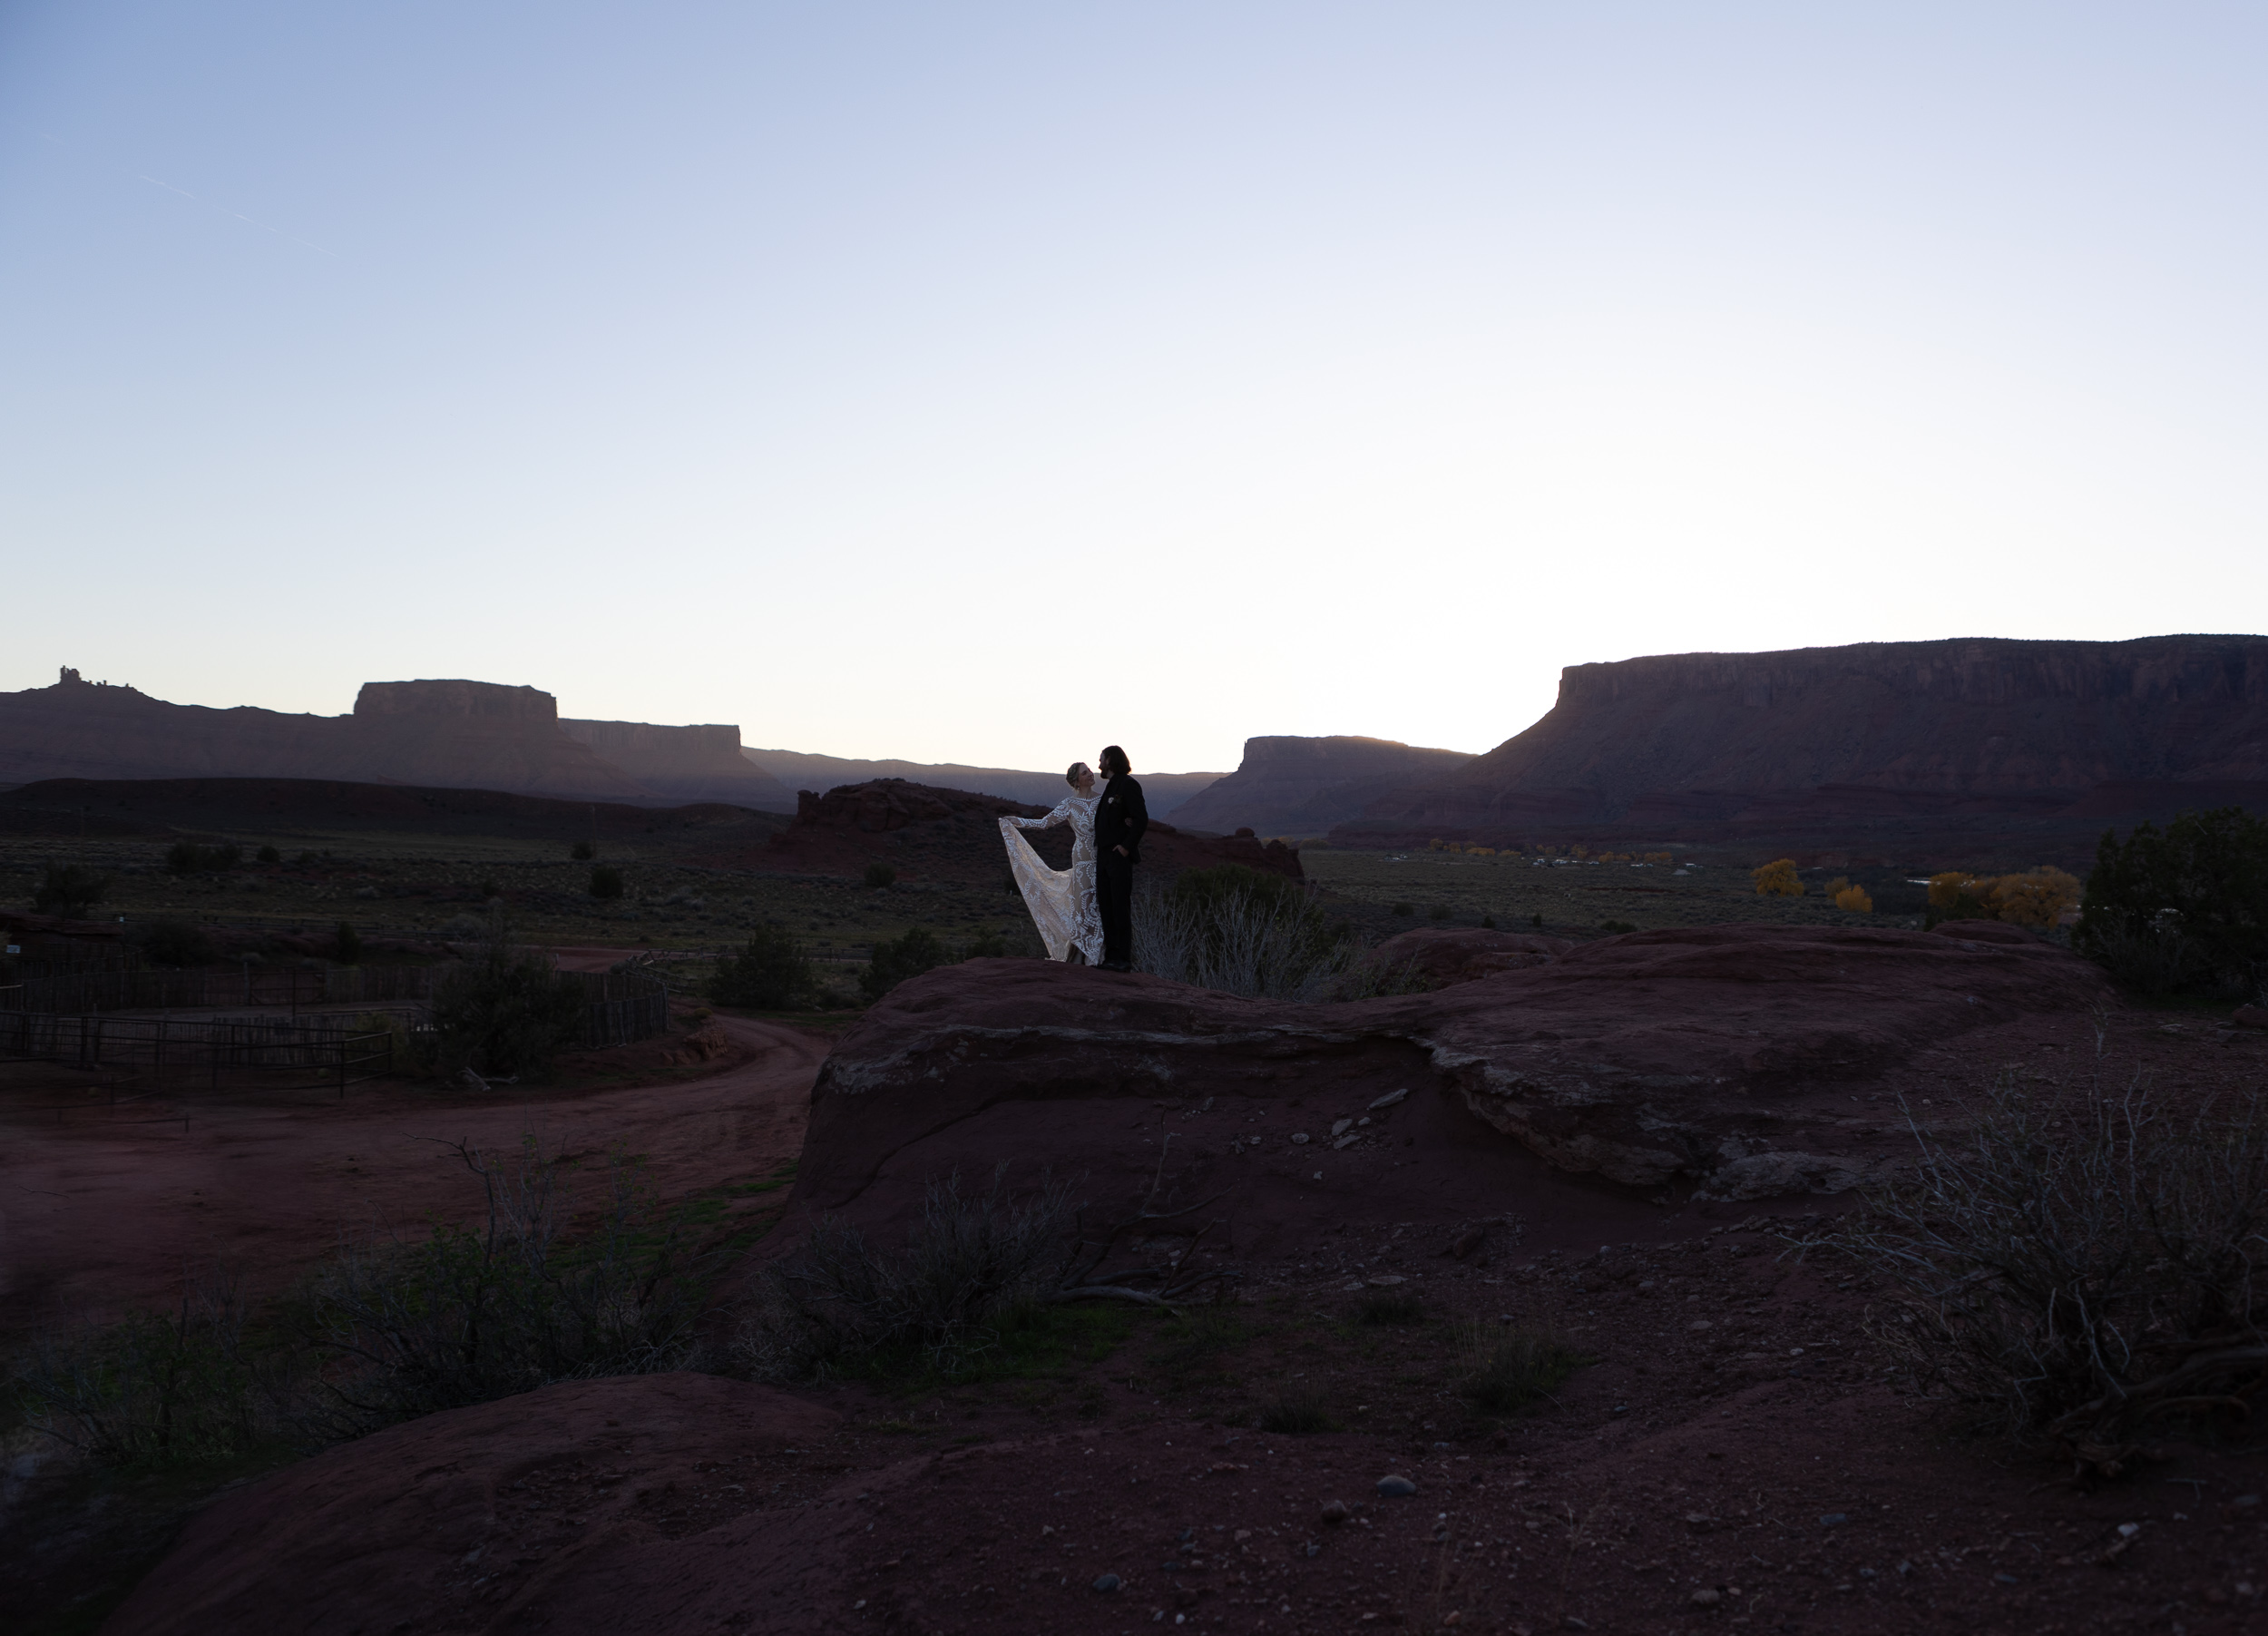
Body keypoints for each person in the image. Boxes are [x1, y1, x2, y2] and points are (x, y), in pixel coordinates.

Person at [999, 762, 1104, 965]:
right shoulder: (1069, 805)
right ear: (1076, 781)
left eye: (1090, 770)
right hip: (1083, 862)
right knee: (1084, 908)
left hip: (1104, 859)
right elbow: (1044, 823)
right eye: (1085, 773)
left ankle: (1100, 956)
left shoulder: (1104, 800)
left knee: (1101, 906)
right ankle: (1080, 958)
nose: (1091, 774)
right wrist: (1016, 822)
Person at [1092, 743, 1147, 971]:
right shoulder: (1111, 787)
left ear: (1111, 760)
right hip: (1104, 856)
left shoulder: (1128, 785)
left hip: (1118, 856)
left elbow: (1141, 819)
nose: (1099, 764)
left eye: (1102, 759)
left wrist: (1125, 847)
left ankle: (1123, 959)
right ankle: (1111, 957)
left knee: (1119, 906)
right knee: (1106, 906)